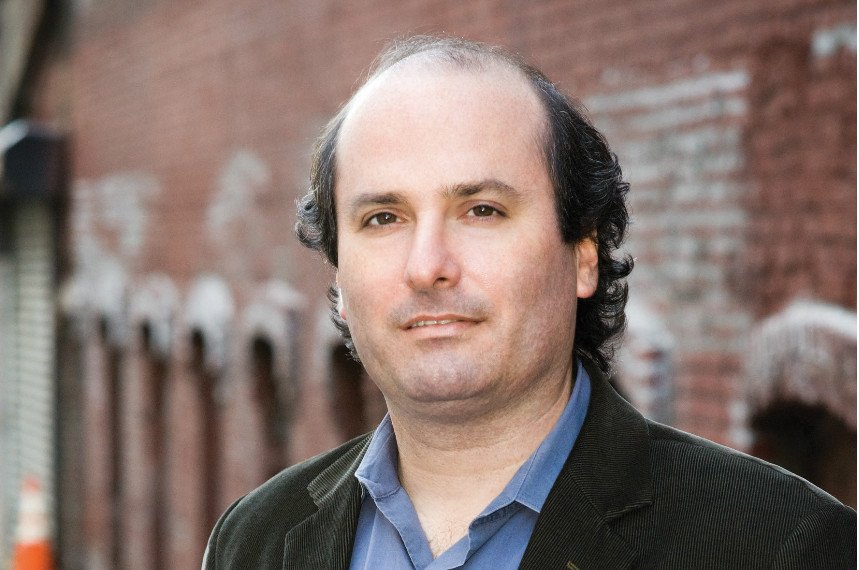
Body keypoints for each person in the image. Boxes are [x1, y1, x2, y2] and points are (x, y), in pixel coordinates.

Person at [203, 36, 856, 569]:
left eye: (481, 210)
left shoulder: (781, 548)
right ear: (340, 277)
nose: (426, 266)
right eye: (383, 218)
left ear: (583, 254)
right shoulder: (255, 540)